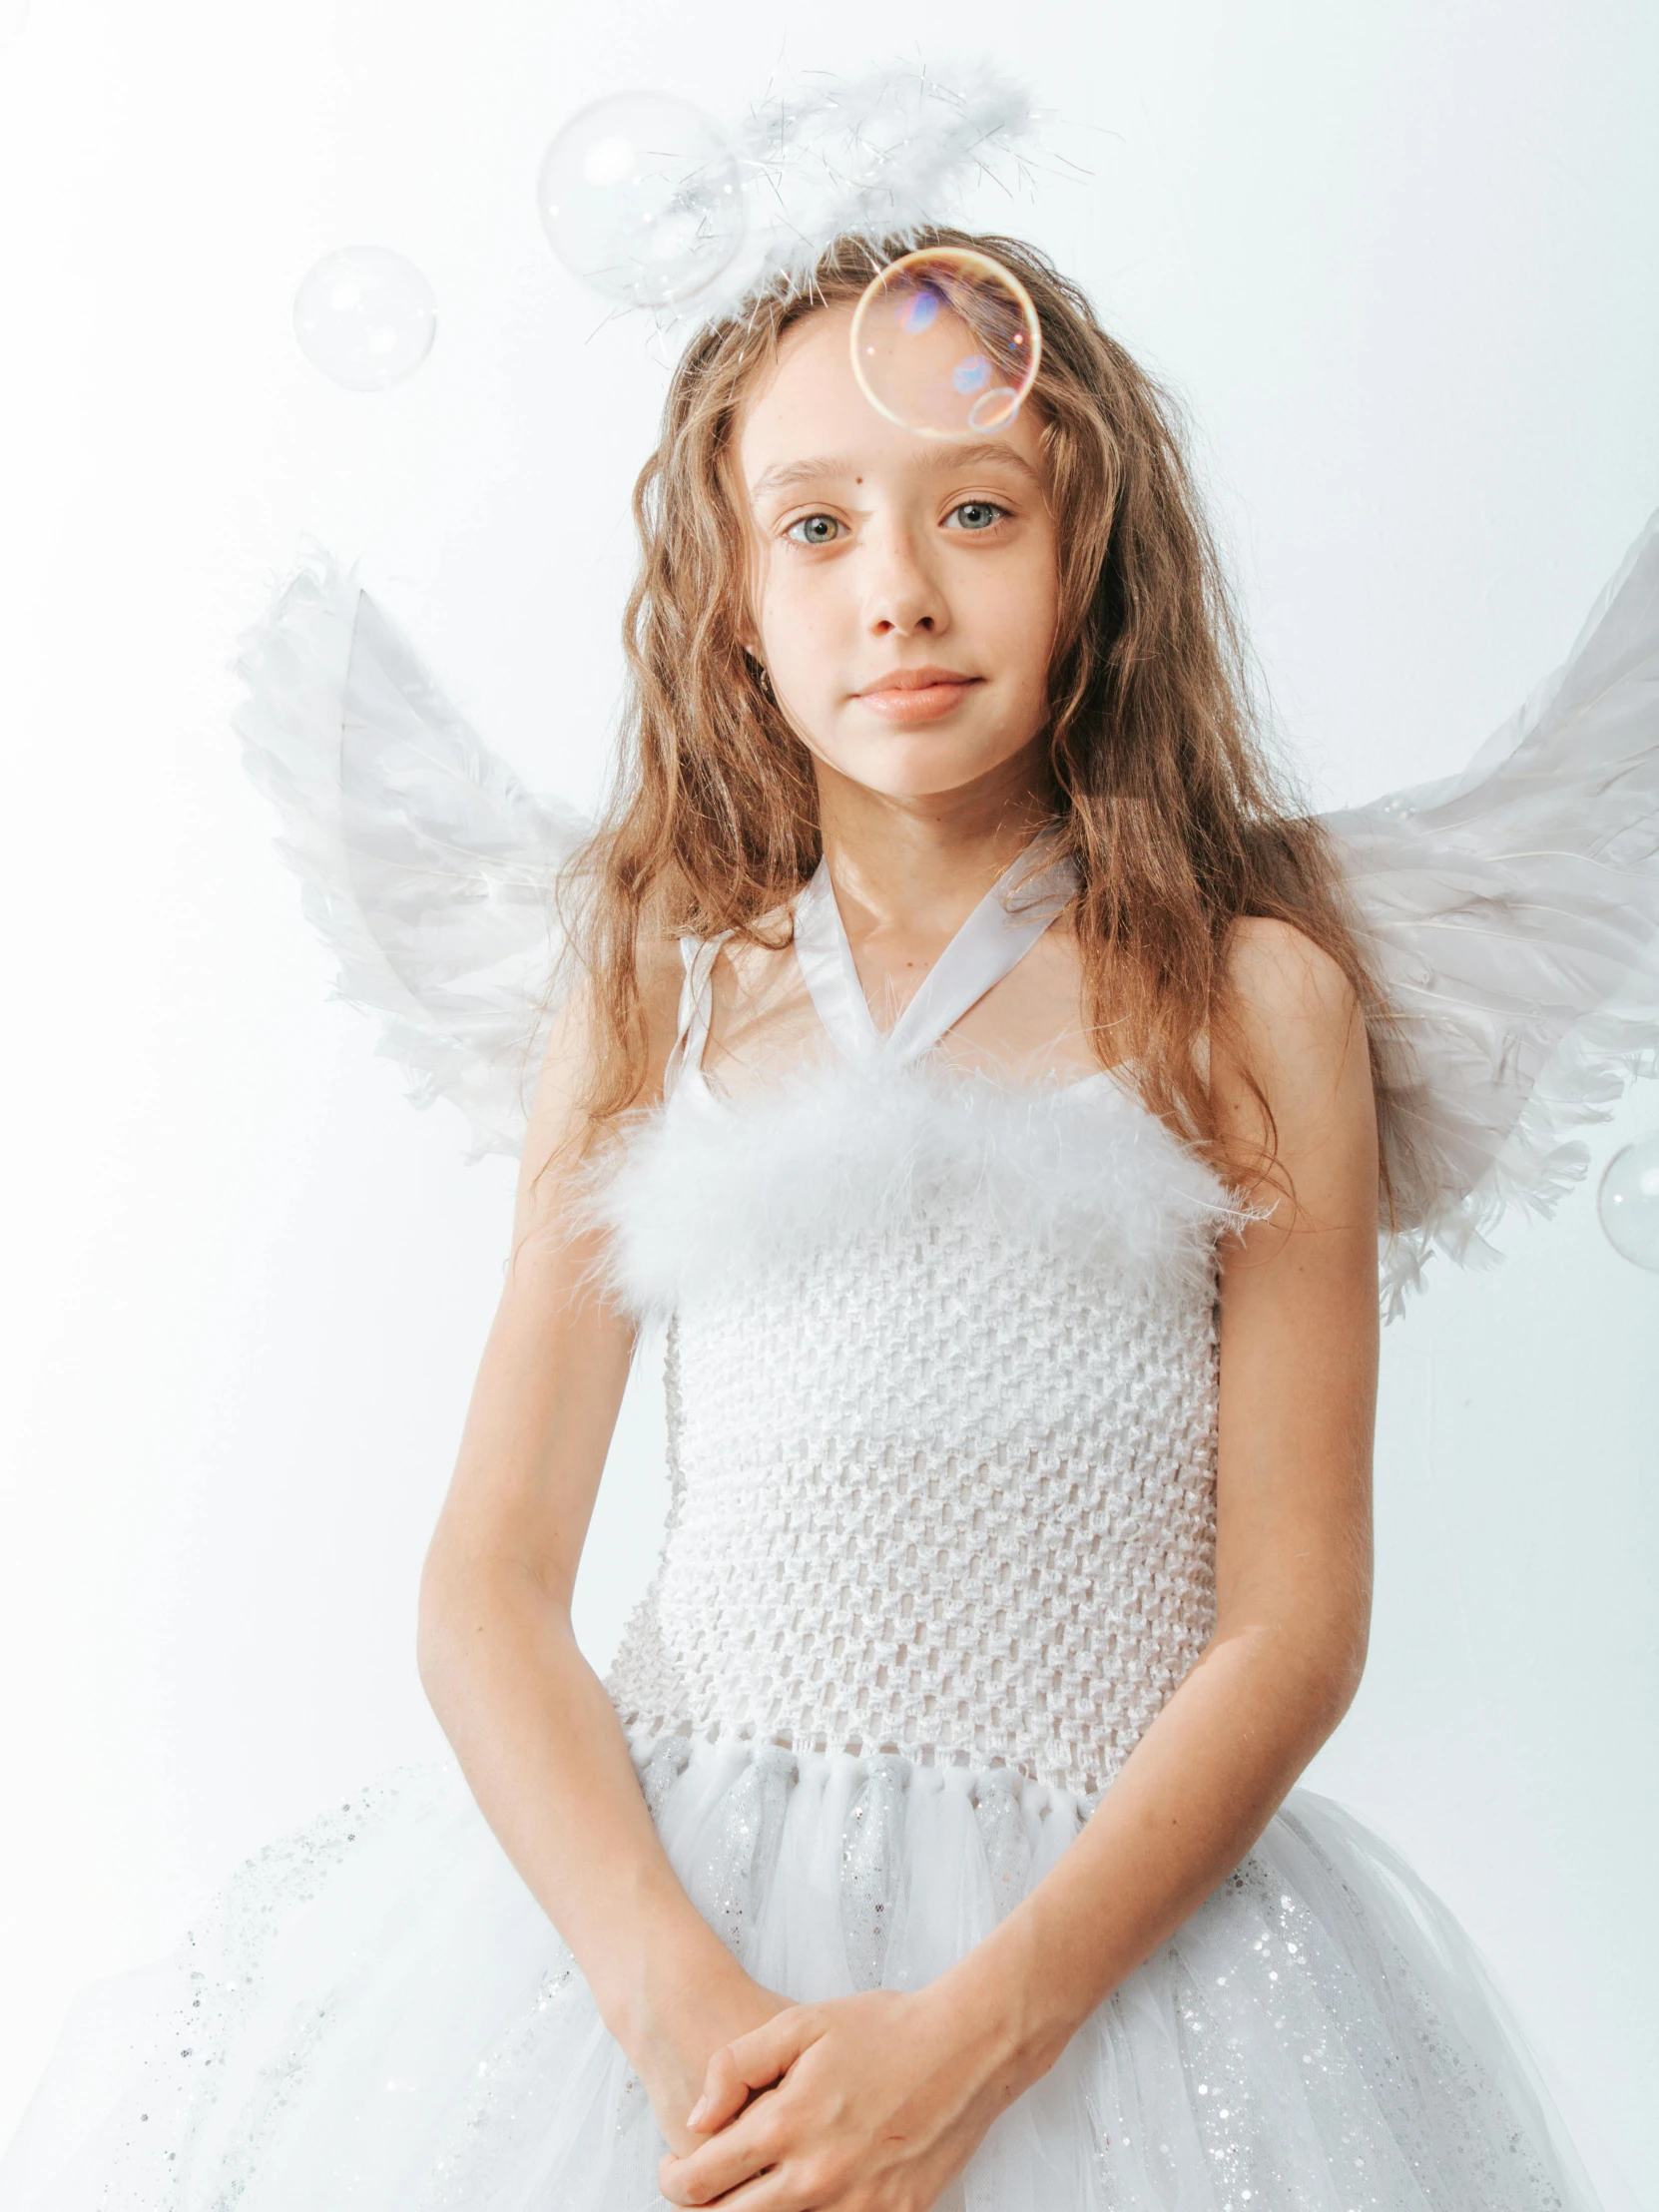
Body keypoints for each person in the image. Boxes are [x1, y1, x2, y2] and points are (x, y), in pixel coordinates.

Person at [4, 226, 1655, 2212]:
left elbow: (1293, 1621)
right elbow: (488, 1582)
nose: (899, 590)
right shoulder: (655, 984)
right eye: (814, 526)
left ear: (1098, 567)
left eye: (978, 507)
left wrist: (976, 2040)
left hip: (1099, 1973)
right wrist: (684, 2014)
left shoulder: (1249, 997)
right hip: (683, 1937)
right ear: (728, 610)